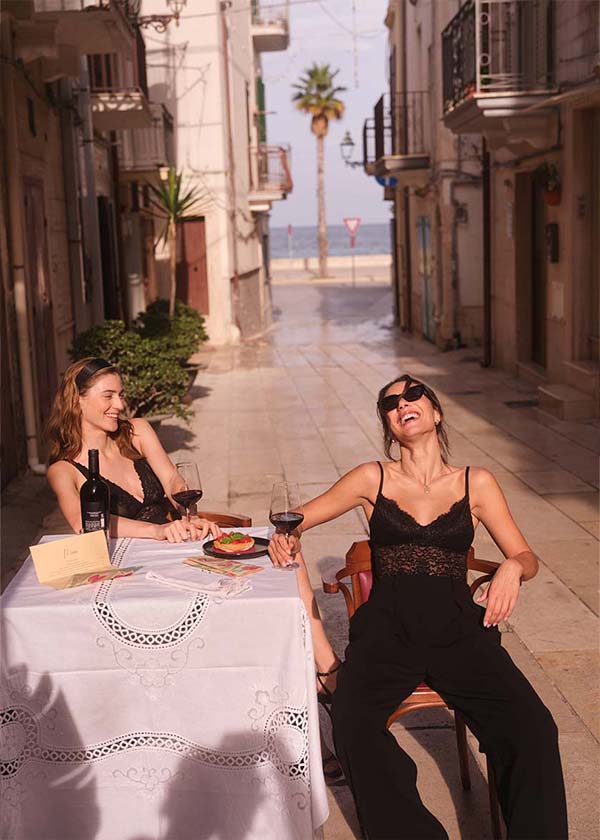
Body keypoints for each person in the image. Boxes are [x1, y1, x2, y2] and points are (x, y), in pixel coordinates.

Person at [269, 374, 568, 839]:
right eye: (390, 403)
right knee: (352, 724)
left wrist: (511, 568)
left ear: (435, 412)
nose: (402, 404)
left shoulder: (476, 482)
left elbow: (526, 556)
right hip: (387, 632)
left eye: (413, 395)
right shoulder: (373, 477)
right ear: (389, 424)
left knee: (534, 728)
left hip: (461, 631)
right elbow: (296, 519)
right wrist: (285, 538)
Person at [46, 357, 220, 543]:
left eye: (120, 395)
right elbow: (82, 520)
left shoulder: (137, 431)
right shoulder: (63, 470)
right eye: (108, 396)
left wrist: (189, 514)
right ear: (77, 400)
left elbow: (171, 479)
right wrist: (156, 531)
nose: (120, 405)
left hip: (169, 547)